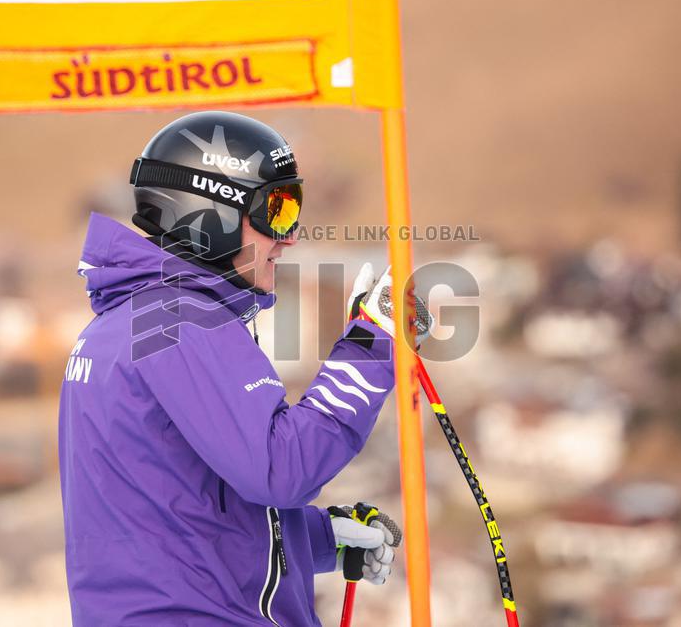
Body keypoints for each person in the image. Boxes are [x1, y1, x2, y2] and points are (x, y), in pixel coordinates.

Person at [58, 111, 433, 625]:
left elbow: (184, 512)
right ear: (209, 214)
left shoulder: (128, 322)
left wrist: (319, 539)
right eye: (276, 211)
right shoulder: (178, 321)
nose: (290, 237)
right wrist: (372, 343)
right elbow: (280, 469)